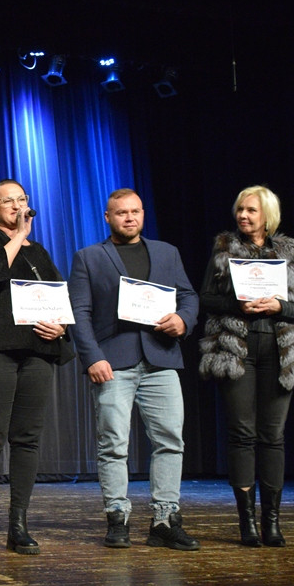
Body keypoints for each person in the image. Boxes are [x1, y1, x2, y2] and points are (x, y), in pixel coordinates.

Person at [68, 188, 200, 551]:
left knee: (170, 441)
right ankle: (117, 517)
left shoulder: (166, 252)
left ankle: (164, 519)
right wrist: (92, 357)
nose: (130, 217)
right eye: (121, 212)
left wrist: (182, 320)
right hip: (114, 362)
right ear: (108, 217)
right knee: (113, 443)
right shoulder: (89, 257)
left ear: (143, 214)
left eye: (136, 211)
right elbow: (79, 312)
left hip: (161, 359)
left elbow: (187, 296)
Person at [0, 180, 73, 556]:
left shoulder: (39, 253)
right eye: (7, 201)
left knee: (27, 439)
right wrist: (18, 235)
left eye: (21, 200)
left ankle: (18, 524)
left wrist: (61, 328)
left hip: (36, 352)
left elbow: (59, 298)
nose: (16, 205)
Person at [199, 185, 294, 547]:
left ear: (267, 216)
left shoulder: (289, 252)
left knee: (273, 436)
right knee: (242, 434)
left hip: (280, 352)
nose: (243, 216)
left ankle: (272, 522)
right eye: (240, 210)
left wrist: (280, 307)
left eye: (251, 211)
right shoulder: (224, 249)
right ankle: (246, 522)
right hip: (237, 351)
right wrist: (236, 305)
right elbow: (206, 298)